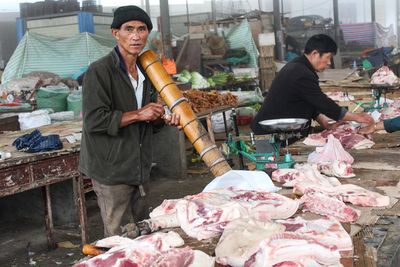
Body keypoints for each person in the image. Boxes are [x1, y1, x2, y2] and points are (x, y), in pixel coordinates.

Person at [79, 5, 180, 237]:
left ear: (148, 33)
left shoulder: (148, 71)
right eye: (129, 29)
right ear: (116, 33)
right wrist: (139, 113)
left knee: (142, 232)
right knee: (120, 237)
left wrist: (161, 117)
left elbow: (148, 122)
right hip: (111, 168)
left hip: (139, 165)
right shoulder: (100, 71)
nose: (136, 36)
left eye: (142, 29)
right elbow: (94, 121)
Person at [251, 34, 374, 139]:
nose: (329, 63)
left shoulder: (299, 67)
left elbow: (310, 102)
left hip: (279, 131)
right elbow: (323, 103)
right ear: (315, 53)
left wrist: (325, 123)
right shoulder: (300, 73)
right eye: (328, 58)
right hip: (270, 134)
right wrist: (356, 117)